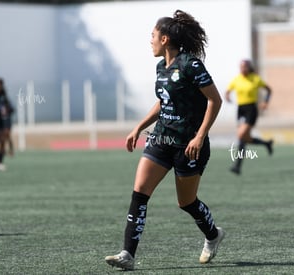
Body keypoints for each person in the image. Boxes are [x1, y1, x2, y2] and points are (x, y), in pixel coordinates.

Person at [105, 10, 224, 271]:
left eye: (153, 35)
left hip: (188, 146)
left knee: (186, 202)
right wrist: (139, 127)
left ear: (165, 39)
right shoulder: (161, 67)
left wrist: (200, 136)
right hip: (160, 139)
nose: (151, 40)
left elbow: (215, 100)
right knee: (139, 193)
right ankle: (128, 254)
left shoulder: (191, 65)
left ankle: (213, 235)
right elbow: (163, 101)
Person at [224, 60, 273, 175]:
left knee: (241, 135)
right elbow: (228, 91)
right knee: (244, 138)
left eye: (244, 67)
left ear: (248, 67)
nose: (242, 69)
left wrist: (266, 102)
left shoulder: (255, 79)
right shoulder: (237, 79)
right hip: (240, 110)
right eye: (241, 67)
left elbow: (269, 90)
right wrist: (227, 96)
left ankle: (237, 165)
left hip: (251, 110)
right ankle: (266, 144)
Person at [1, 89, 15, 156]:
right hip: (0, 121)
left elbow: (13, 109)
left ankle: (11, 150)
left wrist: (8, 110)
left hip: (7, 120)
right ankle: (2, 150)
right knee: (2, 137)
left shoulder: (7, 101)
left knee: (7, 135)